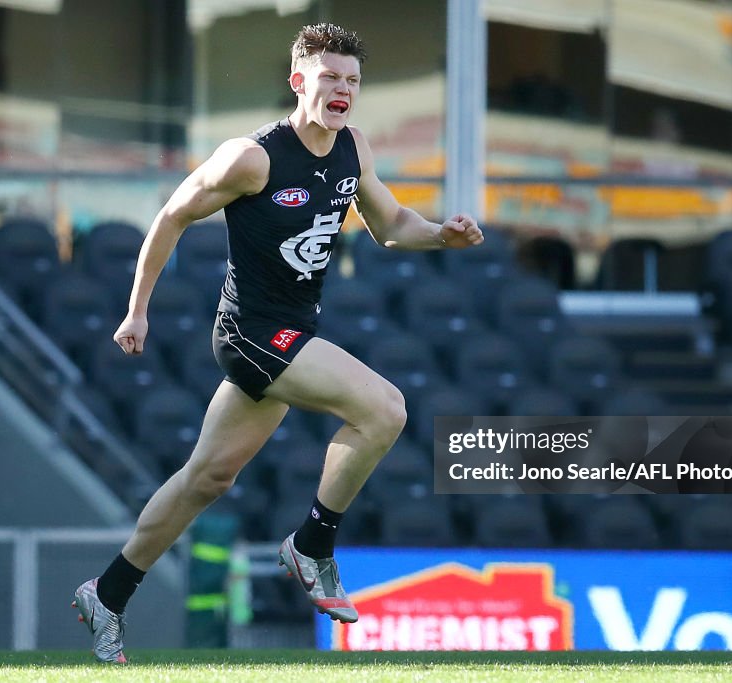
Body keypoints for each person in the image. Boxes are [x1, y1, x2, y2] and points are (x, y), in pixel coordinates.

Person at [71, 22, 483, 663]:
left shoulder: (353, 148)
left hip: (293, 332)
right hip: (251, 333)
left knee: (206, 478)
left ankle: (109, 594)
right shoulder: (253, 157)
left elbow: (393, 225)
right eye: (329, 77)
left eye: (351, 80)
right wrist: (137, 311)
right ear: (299, 82)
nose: (342, 89)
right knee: (385, 408)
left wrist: (441, 234)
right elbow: (172, 214)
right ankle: (313, 545)